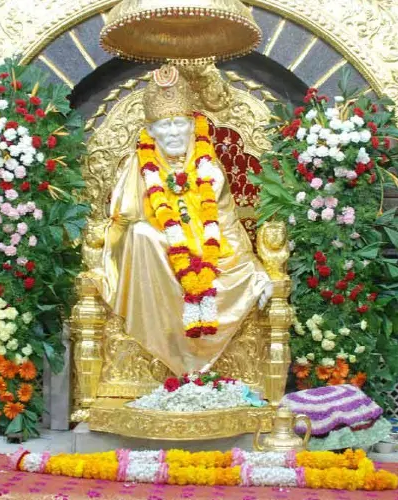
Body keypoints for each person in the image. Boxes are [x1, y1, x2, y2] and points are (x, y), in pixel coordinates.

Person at [96, 65, 272, 376]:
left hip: (209, 256)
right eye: (165, 126)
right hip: (154, 262)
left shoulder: (209, 169)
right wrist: (101, 262)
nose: (174, 133)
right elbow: (121, 223)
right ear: (151, 132)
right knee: (142, 234)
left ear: (193, 127)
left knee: (244, 276)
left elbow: (227, 226)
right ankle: (162, 349)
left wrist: (256, 269)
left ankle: (198, 361)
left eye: (180, 124)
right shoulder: (139, 166)